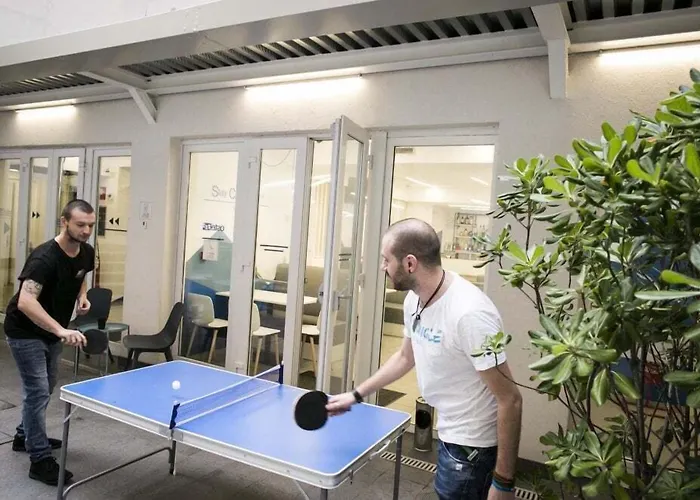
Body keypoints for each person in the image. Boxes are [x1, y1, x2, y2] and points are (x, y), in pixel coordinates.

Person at [327, 218, 522, 500]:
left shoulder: (469, 314)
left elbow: (510, 399)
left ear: (410, 263)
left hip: (473, 446)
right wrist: (355, 395)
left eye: (386, 260)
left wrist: (503, 483)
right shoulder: (415, 300)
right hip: (449, 431)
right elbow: (405, 357)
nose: (382, 267)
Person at [4, 199, 96, 486]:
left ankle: (24, 436)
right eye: (80, 225)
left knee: (47, 386)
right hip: (24, 331)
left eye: (90, 225)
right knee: (37, 391)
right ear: (64, 222)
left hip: (51, 331)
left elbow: (81, 276)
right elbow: (25, 301)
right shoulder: (44, 258)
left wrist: (82, 296)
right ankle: (39, 459)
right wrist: (60, 329)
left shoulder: (86, 251)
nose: (86, 231)